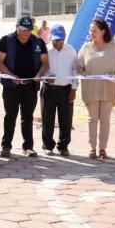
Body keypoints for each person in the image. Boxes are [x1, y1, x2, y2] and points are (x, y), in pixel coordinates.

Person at [0, 15, 49, 158]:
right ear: (16, 27)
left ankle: (28, 146)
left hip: (30, 86)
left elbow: (45, 62)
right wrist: (11, 76)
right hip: (11, 86)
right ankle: (6, 146)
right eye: (23, 29)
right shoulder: (6, 41)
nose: (25, 32)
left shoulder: (38, 42)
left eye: (29, 29)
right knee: (10, 116)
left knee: (27, 117)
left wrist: (39, 75)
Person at [77, 19, 115, 160]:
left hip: (109, 90)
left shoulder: (114, 48)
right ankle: (92, 148)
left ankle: (103, 148)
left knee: (105, 119)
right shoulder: (86, 48)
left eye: (94, 31)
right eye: (91, 31)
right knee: (92, 119)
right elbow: (79, 66)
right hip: (91, 90)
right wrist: (80, 71)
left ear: (103, 31)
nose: (92, 33)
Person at [41, 24, 77, 157]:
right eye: (55, 40)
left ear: (64, 38)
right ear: (51, 38)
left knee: (66, 119)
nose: (57, 43)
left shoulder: (71, 51)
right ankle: (48, 145)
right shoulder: (46, 51)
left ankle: (63, 146)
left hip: (66, 90)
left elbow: (75, 71)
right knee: (47, 118)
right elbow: (41, 70)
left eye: (60, 40)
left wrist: (74, 88)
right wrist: (46, 79)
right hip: (49, 90)